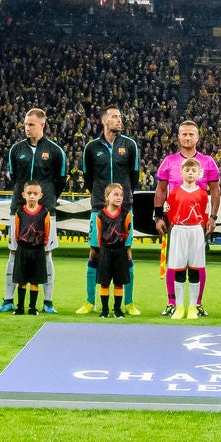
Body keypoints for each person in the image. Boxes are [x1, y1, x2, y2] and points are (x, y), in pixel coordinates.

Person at [0, 108, 66, 315]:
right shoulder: (16, 150)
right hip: (19, 210)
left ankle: (48, 302)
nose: (27, 128)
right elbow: (13, 176)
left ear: (42, 125)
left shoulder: (55, 151)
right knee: (13, 252)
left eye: (31, 124)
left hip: (45, 212)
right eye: (26, 124)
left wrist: (48, 200)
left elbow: (60, 180)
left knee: (46, 254)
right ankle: (9, 299)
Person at [79, 105, 141, 315]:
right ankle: (90, 301)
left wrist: (123, 200)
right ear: (104, 121)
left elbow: (134, 177)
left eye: (120, 117)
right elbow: (88, 177)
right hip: (99, 208)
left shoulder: (130, 145)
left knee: (127, 252)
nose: (119, 120)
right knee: (95, 251)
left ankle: (129, 303)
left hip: (124, 209)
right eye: (114, 117)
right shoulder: (91, 148)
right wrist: (102, 198)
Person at [156, 120, 221, 316]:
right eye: (183, 134)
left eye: (191, 134)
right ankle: (172, 302)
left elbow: (215, 191)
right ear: (178, 137)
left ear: (198, 137)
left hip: (197, 222)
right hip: (175, 221)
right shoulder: (169, 161)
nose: (187, 137)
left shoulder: (208, 162)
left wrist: (213, 216)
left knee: (197, 262)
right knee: (174, 262)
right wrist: (158, 217)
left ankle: (197, 303)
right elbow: (160, 191)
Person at [163, 157, 210, 320]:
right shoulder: (174, 192)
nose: (190, 173)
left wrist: (198, 227)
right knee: (179, 270)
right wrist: (176, 226)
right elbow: (168, 211)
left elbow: (205, 214)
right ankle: (179, 306)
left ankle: (192, 307)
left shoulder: (203, 194)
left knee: (195, 270)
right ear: (181, 172)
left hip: (196, 231)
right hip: (179, 231)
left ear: (199, 174)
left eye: (194, 171)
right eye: (187, 170)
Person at [10, 181, 53, 316]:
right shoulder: (20, 212)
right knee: (21, 280)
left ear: (40, 195)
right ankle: (20, 307)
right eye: (29, 193)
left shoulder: (44, 212)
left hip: (37, 250)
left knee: (35, 281)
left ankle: (32, 307)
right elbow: (17, 232)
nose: (32, 196)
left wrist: (41, 243)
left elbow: (47, 232)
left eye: (35, 193)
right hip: (23, 249)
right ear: (24, 195)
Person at [92, 182, 134, 318]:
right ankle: (104, 310)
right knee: (104, 283)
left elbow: (126, 233)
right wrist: (104, 248)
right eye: (115, 194)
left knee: (119, 282)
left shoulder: (126, 214)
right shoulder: (100, 215)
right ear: (107, 197)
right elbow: (99, 236)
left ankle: (117, 309)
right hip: (105, 252)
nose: (119, 197)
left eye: (121, 195)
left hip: (120, 252)